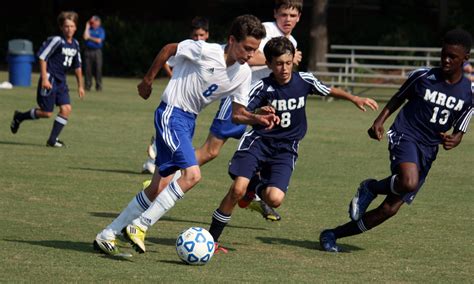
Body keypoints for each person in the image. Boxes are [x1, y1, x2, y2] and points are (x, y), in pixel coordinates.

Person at [94, 14, 277, 256]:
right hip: (171, 113)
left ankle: (107, 235)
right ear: (232, 40)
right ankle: (140, 225)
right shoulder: (206, 50)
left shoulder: (242, 74)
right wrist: (147, 80)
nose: (251, 56)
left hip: (188, 121)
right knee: (192, 175)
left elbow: (237, 114)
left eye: (254, 50)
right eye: (247, 48)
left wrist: (257, 117)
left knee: (158, 186)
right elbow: (169, 49)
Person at [207, 37, 379, 250]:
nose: (284, 68)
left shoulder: (304, 80)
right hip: (259, 143)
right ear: (269, 64)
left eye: (288, 63)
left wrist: (354, 99)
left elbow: (328, 90)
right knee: (237, 190)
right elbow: (239, 115)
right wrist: (258, 113)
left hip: (286, 149)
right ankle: (211, 239)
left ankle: (255, 184)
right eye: (278, 64)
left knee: (275, 199)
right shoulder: (262, 87)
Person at [319, 29, 473, 253]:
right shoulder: (423, 76)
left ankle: (333, 234)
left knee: (389, 209)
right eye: (444, 54)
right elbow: (399, 97)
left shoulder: (469, 92)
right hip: (406, 134)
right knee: (408, 181)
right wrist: (379, 121)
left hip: (429, 149)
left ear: (465, 58)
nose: (446, 60)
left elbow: (461, 125)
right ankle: (370, 187)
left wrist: (455, 139)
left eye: (453, 56)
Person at [142, 16, 210, 174]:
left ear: (207, 34)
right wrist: (171, 74)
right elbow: (166, 59)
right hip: (176, 101)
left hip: (191, 108)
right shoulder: (186, 49)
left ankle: (152, 162)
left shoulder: (210, 54)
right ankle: (154, 158)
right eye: (195, 35)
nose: (198, 39)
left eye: (201, 35)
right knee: (175, 140)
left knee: (172, 141)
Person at [10, 11, 85, 147]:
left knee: (66, 109)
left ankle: (52, 140)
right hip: (50, 79)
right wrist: (44, 78)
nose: (69, 29)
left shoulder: (75, 44)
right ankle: (19, 117)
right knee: (46, 113)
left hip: (61, 81)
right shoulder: (57, 40)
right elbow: (42, 57)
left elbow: (77, 66)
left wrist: (80, 85)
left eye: (72, 26)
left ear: (76, 27)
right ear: (61, 28)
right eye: (66, 26)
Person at [83, 15, 105, 91]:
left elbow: (99, 40)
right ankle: (87, 86)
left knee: (98, 69)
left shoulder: (101, 30)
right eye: (91, 22)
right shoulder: (89, 29)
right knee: (87, 69)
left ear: (98, 22)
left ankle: (98, 86)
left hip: (97, 51)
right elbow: (85, 37)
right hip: (88, 51)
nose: (92, 23)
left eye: (94, 21)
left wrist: (90, 37)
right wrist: (87, 26)